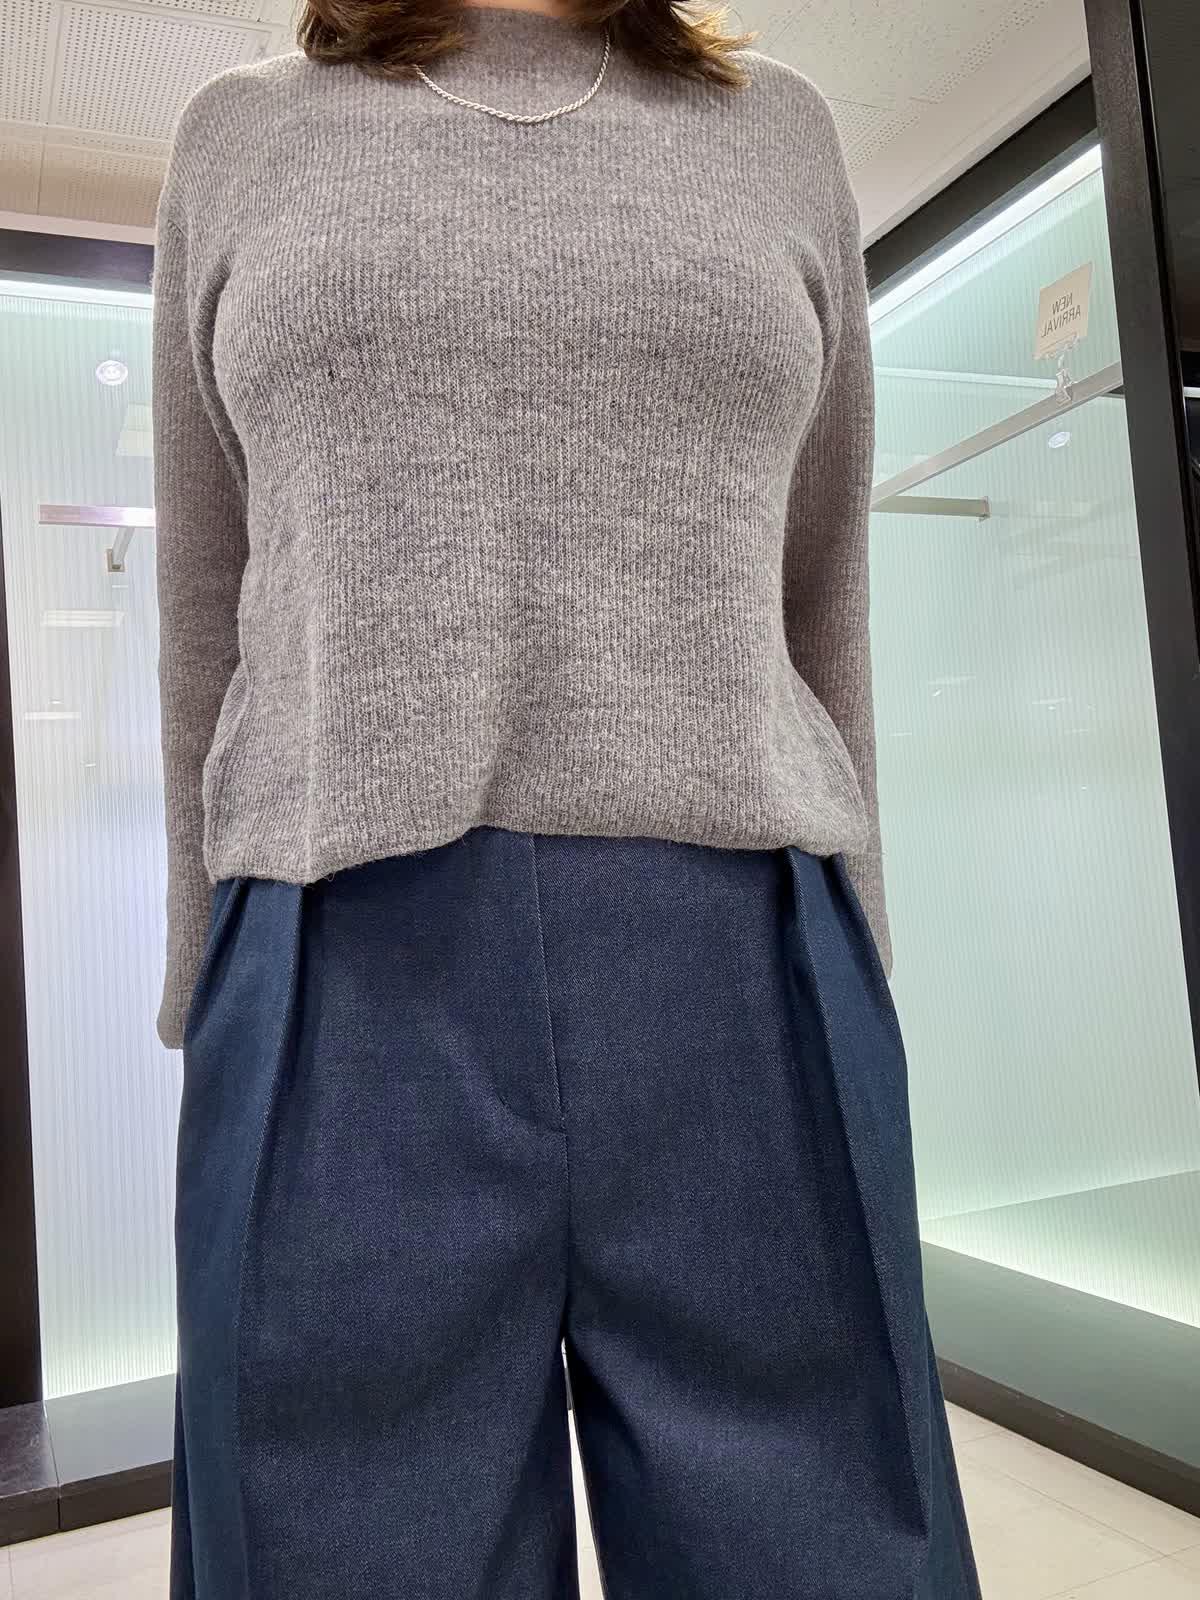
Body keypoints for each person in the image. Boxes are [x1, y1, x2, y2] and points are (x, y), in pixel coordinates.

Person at [151, 0, 981, 1594]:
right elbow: (206, 598)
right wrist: (204, 975)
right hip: (338, 959)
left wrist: (854, 949)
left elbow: (822, 586)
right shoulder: (241, 136)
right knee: (336, 1556)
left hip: (741, 957)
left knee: (826, 1556)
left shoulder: (779, 133)